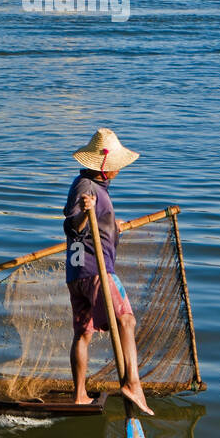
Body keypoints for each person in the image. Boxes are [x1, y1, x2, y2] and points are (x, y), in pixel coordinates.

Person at [63, 128, 153, 415]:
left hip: (76, 275)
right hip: (95, 271)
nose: (118, 169)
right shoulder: (86, 187)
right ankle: (133, 383)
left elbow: (92, 225)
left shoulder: (91, 186)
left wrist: (113, 224)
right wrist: (84, 214)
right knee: (126, 320)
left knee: (83, 333)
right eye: (115, 164)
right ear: (104, 166)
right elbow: (73, 226)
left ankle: (79, 395)